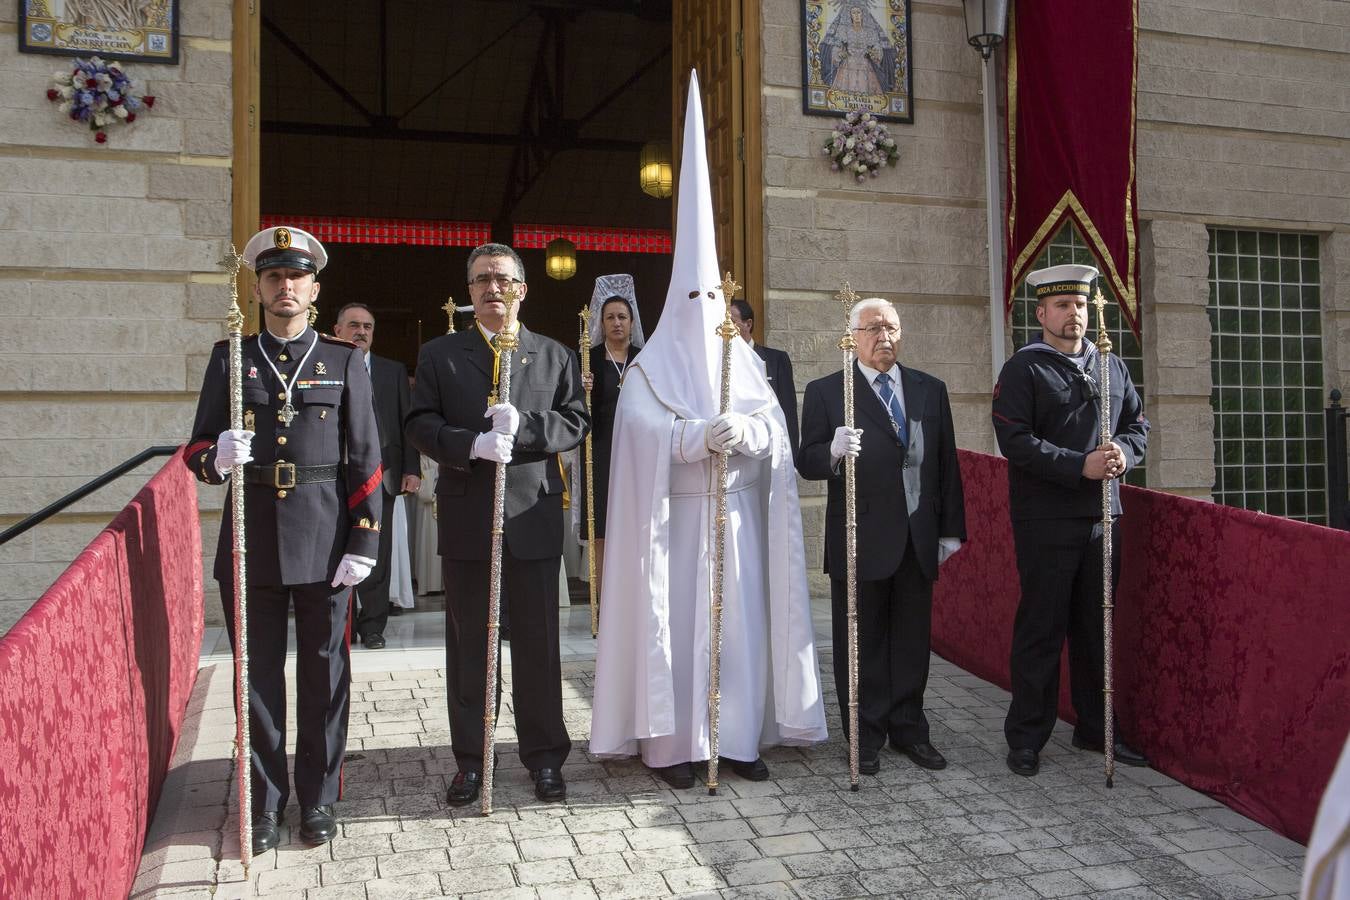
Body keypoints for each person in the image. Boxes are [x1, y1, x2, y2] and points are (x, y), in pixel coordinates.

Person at [590, 72, 827, 790]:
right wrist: (693, 440)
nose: (702, 310)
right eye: (691, 296)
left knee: (741, 630)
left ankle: (739, 742)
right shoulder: (648, 369)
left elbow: (776, 434)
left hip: (735, 523)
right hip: (673, 527)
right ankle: (674, 749)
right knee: (677, 632)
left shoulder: (744, 363)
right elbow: (634, 436)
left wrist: (746, 436)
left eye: (713, 297)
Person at [184, 225, 382, 853]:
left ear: (314, 288)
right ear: (260, 288)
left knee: (324, 677)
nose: (285, 287)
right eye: (273, 277)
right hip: (252, 541)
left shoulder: (344, 360)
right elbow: (192, 450)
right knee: (258, 679)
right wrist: (217, 455)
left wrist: (366, 539)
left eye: (296, 277)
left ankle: (319, 799)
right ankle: (264, 803)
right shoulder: (230, 357)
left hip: (326, 542)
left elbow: (366, 456)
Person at [406, 242, 588, 806]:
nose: (493, 289)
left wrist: (528, 427)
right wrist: (470, 445)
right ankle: (472, 759)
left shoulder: (552, 354)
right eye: (482, 279)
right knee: (469, 650)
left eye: (504, 279)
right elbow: (418, 422)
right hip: (467, 518)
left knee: (537, 646)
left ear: (523, 288)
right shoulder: (442, 354)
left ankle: (544, 758)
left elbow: (577, 420)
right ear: (469, 290)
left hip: (531, 517)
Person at [992, 263, 1151, 777]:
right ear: (1041, 313)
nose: (1073, 315)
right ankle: (1027, 737)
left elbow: (1137, 424)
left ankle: (1096, 727)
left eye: (1080, 305)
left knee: (1096, 626)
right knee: (1042, 627)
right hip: (1047, 520)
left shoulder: (1111, 366)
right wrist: (1075, 465)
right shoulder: (1024, 369)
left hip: (1105, 518)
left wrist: (1125, 453)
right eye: (1062, 306)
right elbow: (1015, 441)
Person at [798, 297, 966, 775]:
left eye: (891, 328)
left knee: (911, 642)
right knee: (862, 641)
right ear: (852, 337)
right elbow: (806, 461)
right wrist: (830, 452)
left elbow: (945, 463)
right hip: (859, 536)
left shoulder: (929, 389)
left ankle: (909, 728)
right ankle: (865, 734)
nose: (884, 337)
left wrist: (950, 529)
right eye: (873, 328)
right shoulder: (829, 391)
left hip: (917, 534)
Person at [332, 303, 420, 648]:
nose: (362, 332)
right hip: (334, 476)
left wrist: (411, 468)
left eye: (368, 326)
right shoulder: (324, 364)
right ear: (337, 330)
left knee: (377, 554)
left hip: (381, 478)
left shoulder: (391, 371)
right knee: (336, 551)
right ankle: (341, 624)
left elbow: (406, 422)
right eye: (354, 325)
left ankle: (372, 627)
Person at [578, 274, 646, 603]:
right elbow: (575, 411)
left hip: (636, 452)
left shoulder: (645, 359)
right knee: (602, 529)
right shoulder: (587, 359)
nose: (616, 323)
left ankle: (633, 600)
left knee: (636, 528)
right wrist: (582, 391)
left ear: (632, 322)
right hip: (601, 452)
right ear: (601, 323)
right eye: (610, 317)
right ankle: (605, 602)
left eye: (622, 317)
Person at [729, 297, 799, 459]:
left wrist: (792, 457)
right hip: (735, 451)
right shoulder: (716, 362)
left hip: (771, 448)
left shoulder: (776, 359)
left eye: (731, 321)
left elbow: (788, 410)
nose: (725, 326)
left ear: (748, 324)